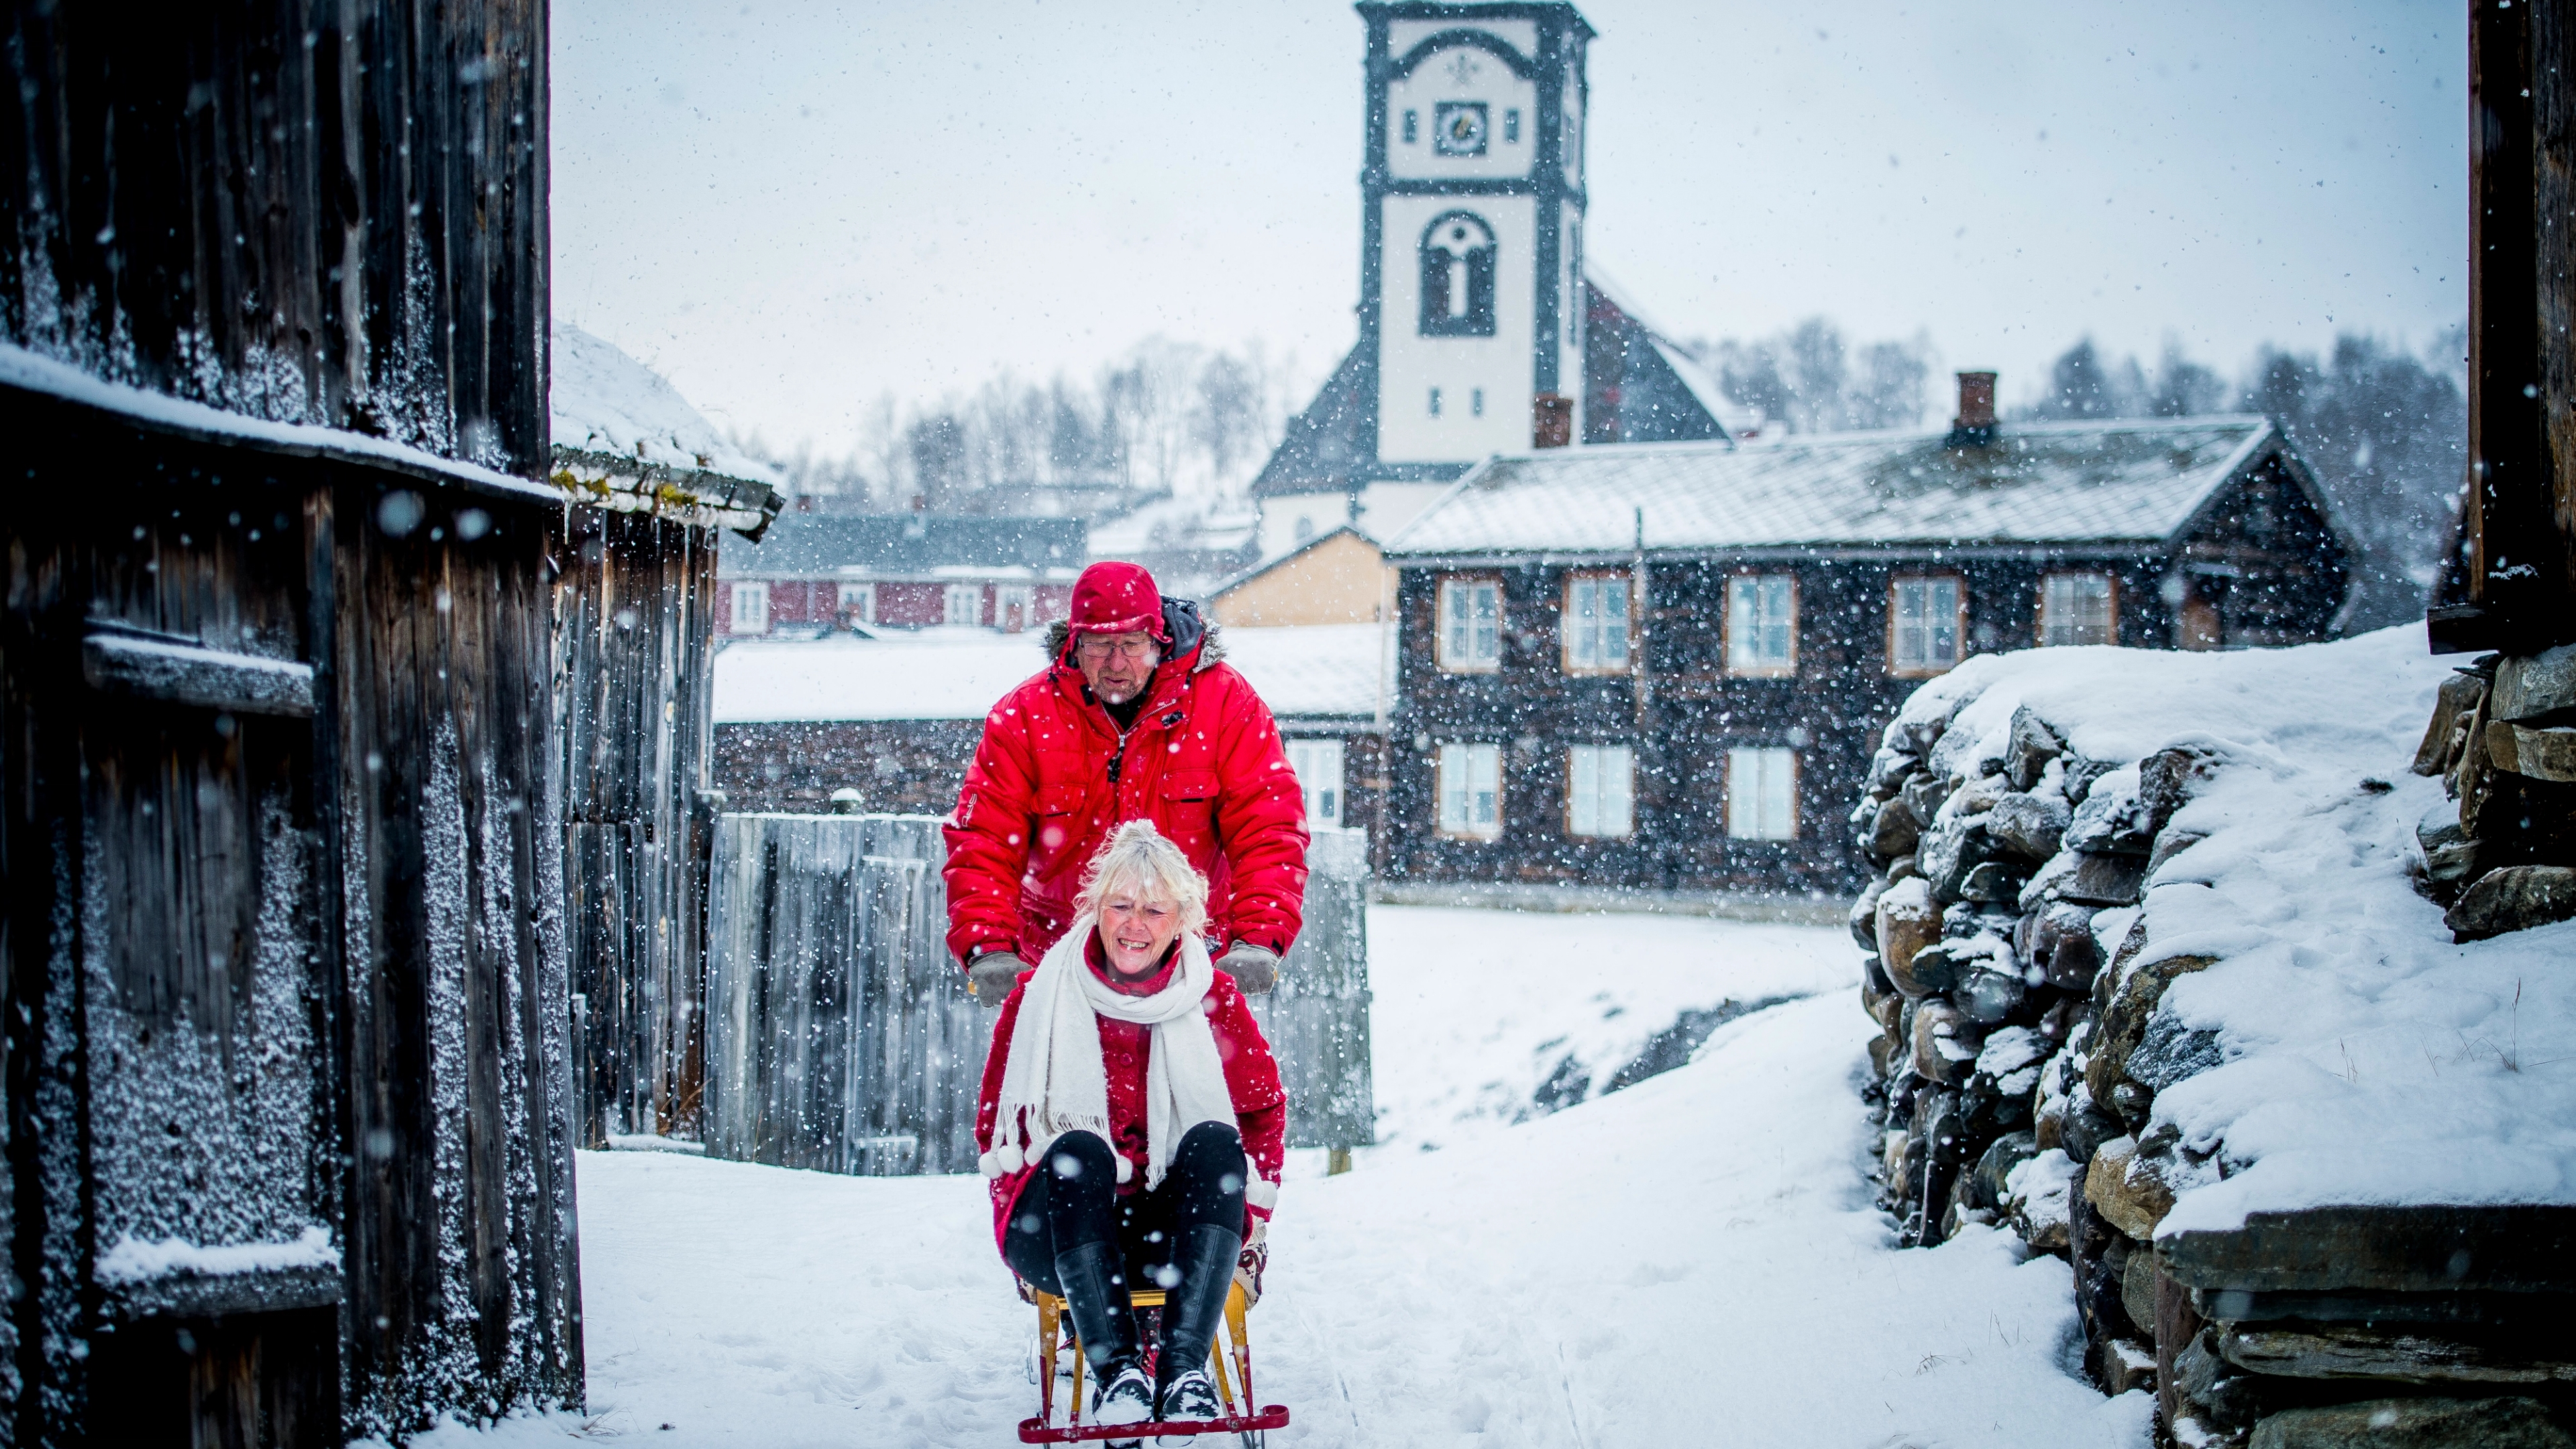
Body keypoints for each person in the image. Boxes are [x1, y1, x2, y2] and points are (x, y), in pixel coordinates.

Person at [977, 820, 1284, 1442]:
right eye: (1119, 905)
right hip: (1059, 1231)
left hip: (1173, 1237)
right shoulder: (1042, 994)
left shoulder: (1212, 998)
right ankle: (1116, 1374)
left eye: (1153, 909)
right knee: (1080, 1151)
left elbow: (1261, 1112)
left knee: (1218, 1141)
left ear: (1182, 920)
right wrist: (1012, 1206)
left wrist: (1250, 1227)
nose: (1133, 925)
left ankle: (1181, 1374)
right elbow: (996, 1127)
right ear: (1094, 908)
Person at [943, 559, 1309, 1006]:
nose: (1117, 663)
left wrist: (1258, 939)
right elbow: (984, 841)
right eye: (1100, 644)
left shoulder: (1226, 704)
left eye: (1133, 644)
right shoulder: (1023, 717)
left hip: (1191, 967)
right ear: (1075, 643)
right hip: (1060, 970)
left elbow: (1268, 827)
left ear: (1159, 642)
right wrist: (990, 947)